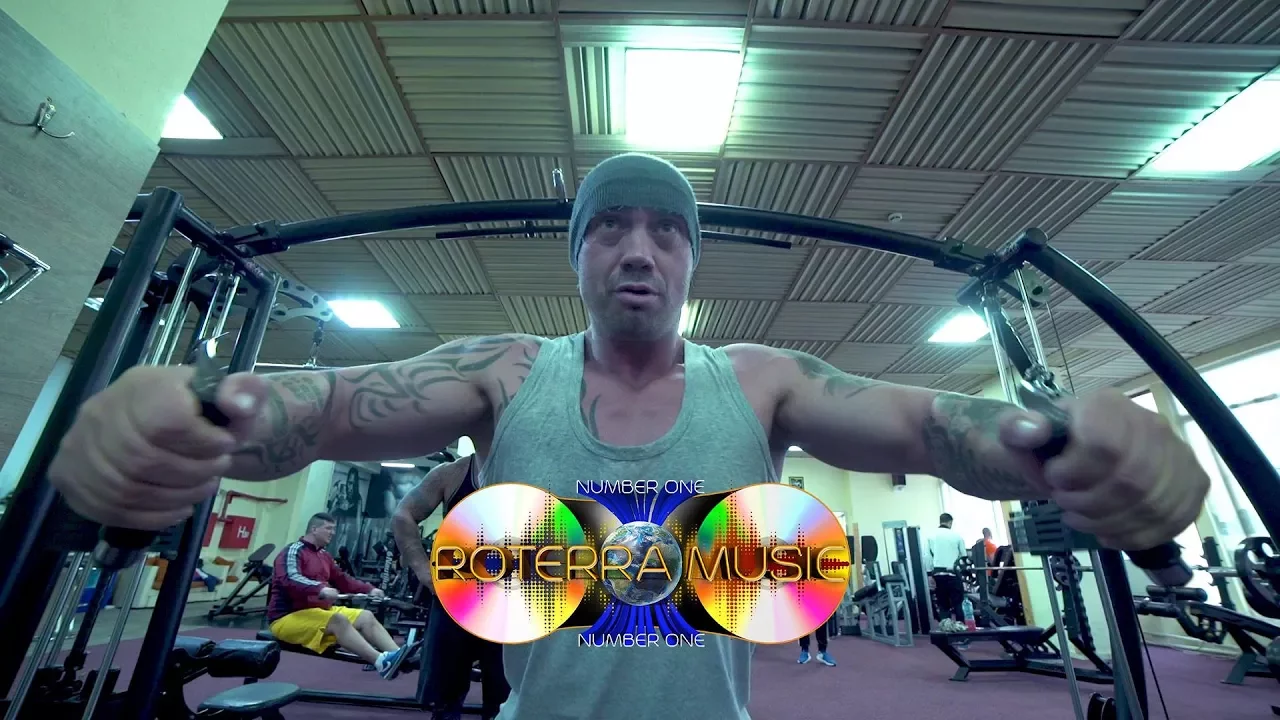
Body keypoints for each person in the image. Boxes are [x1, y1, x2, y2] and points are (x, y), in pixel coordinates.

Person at [49, 152, 1211, 720]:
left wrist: (1055, 443)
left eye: (666, 231)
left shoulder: (760, 380)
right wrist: (207, 410)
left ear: (693, 258)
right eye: (609, 229)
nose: (639, 251)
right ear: (578, 256)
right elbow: (336, 406)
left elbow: (923, 422)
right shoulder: (506, 371)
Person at [392, 454, 510, 720]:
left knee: (505, 700)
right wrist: (424, 571)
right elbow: (403, 515)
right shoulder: (453, 474)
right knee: (444, 700)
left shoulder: (531, 467)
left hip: (508, 604)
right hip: (456, 599)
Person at [267, 512, 409, 680]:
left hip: (318, 612)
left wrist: (369, 589)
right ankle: (381, 662)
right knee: (338, 620)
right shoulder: (293, 550)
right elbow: (289, 578)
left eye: (333, 529)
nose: (333, 533)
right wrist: (320, 589)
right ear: (314, 529)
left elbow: (342, 579)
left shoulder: (324, 555)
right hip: (287, 617)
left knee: (366, 616)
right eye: (328, 528)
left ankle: (399, 656)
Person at [927, 513, 968, 630]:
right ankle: (962, 632)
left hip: (938, 575)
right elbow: (963, 557)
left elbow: (927, 557)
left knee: (943, 604)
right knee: (958, 604)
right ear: (950, 522)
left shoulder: (931, 536)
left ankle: (946, 632)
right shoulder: (957, 536)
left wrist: (929, 574)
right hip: (953, 574)